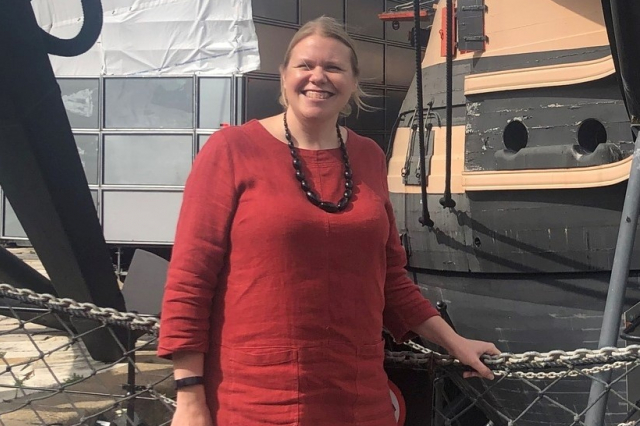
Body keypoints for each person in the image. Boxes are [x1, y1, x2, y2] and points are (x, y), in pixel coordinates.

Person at [158, 16, 500, 426]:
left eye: (333, 68)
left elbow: (390, 276)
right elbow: (191, 279)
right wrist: (189, 395)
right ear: (283, 76)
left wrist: (454, 342)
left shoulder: (369, 156)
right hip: (256, 398)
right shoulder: (231, 150)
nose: (317, 77)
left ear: (354, 82)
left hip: (357, 394)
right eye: (305, 65)